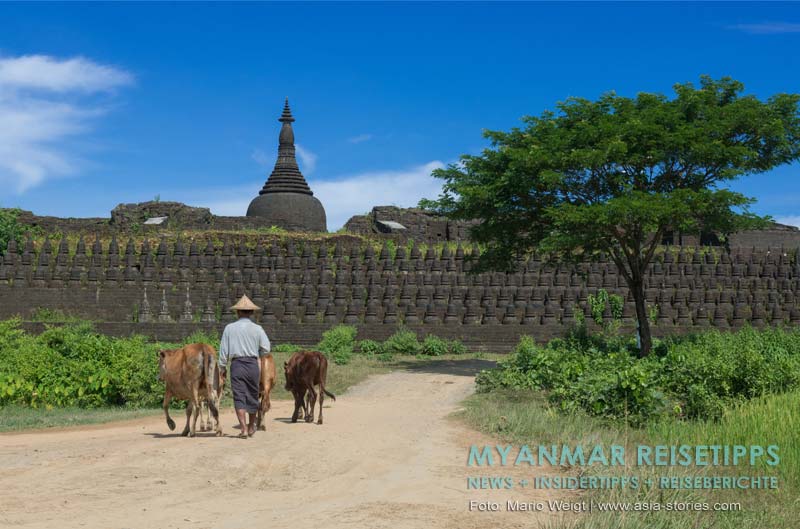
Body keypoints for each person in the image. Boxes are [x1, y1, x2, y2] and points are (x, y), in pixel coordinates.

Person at [218, 295, 271, 438]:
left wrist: (222, 367)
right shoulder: (257, 329)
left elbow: (223, 350)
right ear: (251, 312)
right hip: (253, 364)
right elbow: (266, 348)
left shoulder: (229, 328)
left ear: (238, 312)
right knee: (253, 395)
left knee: (239, 396)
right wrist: (257, 353)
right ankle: (251, 426)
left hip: (237, 365)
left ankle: (243, 429)